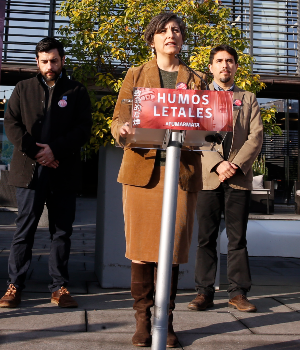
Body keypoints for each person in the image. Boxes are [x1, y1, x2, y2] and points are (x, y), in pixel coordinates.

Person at [110, 12, 206, 348]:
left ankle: (165, 319)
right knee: (140, 249)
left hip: (180, 172)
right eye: (163, 30)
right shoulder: (136, 74)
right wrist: (122, 129)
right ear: (152, 39)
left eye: (176, 30)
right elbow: (120, 116)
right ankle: (142, 320)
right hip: (142, 173)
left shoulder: (197, 78)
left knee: (174, 248)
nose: (171, 35)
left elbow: (205, 122)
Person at [0, 37, 92, 309]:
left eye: (54, 60)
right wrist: (37, 152)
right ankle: (14, 286)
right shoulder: (22, 88)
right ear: (37, 62)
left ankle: (59, 287)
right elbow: (12, 124)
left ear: (62, 60)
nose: (49, 66)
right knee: (24, 229)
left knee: (61, 232)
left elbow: (82, 129)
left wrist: (55, 151)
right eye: (44, 61)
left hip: (63, 170)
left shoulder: (76, 91)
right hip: (29, 172)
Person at [188, 45, 263, 313]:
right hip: (208, 178)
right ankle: (203, 293)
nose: (224, 66)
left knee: (237, 238)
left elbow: (256, 137)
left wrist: (234, 165)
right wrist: (217, 164)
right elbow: (193, 136)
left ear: (236, 66)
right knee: (205, 238)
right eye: (219, 61)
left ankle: (238, 292)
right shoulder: (200, 97)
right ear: (211, 67)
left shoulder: (248, 98)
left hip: (238, 178)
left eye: (229, 61)